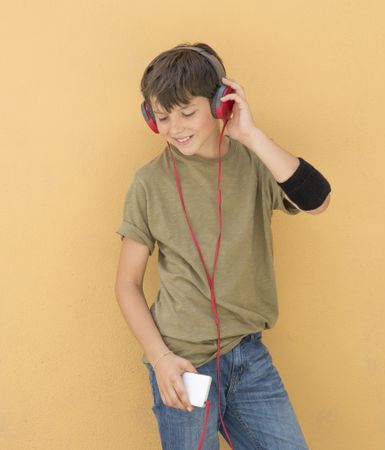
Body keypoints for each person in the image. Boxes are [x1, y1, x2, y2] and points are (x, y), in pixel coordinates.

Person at [114, 42, 331, 450]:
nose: (175, 128)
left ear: (220, 105)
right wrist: (160, 359)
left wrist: (250, 134)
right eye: (162, 117)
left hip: (249, 359)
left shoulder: (255, 163)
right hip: (182, 364)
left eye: (187, 113)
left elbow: (318, 200)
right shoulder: (148, 183)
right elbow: (126, 284)